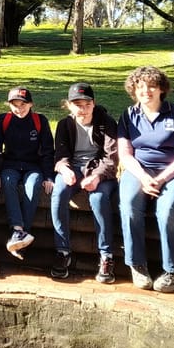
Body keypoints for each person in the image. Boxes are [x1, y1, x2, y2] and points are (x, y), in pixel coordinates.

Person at [116, 66, 174, 293]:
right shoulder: (128, 115)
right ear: (134, 90)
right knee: (130, 205)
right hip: (139, 171)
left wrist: (161, 179)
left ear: (162, 89)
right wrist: (143, 177)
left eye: (152, 86)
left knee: (167, 208)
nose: (146, 91)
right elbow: (125, 154)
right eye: (141, 87)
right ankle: (137, 264)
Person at [50, 82, 118, 284]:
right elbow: (60, 154)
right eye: (77, 104)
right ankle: (63, 251)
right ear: (69, 105)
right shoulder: (65, 125)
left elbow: (111, 158)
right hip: (74, 169)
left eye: (87, 104)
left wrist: (96, 176)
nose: (82, 109)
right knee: (59, 193)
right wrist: (64, 169)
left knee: (98, 198)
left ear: (93, 104)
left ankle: (106, 256)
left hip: (99, 171)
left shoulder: (106, 122)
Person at [0, 87, 55, 261]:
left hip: (33, 166)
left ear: (31, 104)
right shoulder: (4, 120)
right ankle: (18, 231)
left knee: (33, 185)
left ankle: (20, 237)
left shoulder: (39, 120)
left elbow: (48, 151)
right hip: (10, 164)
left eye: (23, 104)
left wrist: (49, 176)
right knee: (8, 181)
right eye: (15, 105)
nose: (19, 108)